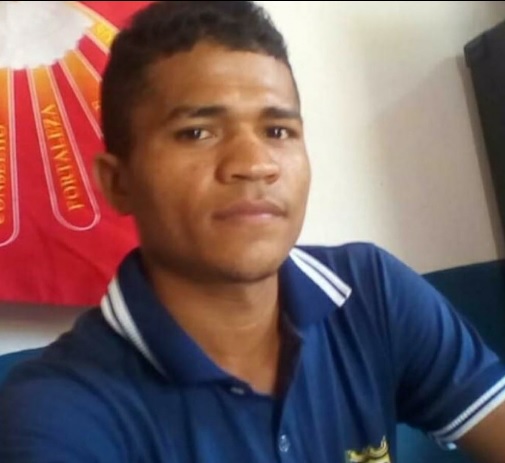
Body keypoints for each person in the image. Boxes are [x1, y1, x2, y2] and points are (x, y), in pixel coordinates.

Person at [1, 1, 505, 462]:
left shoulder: (369, 290)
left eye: (278, 131)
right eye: (197, 132)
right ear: (118, 183)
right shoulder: (57, 416)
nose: (255, 163)